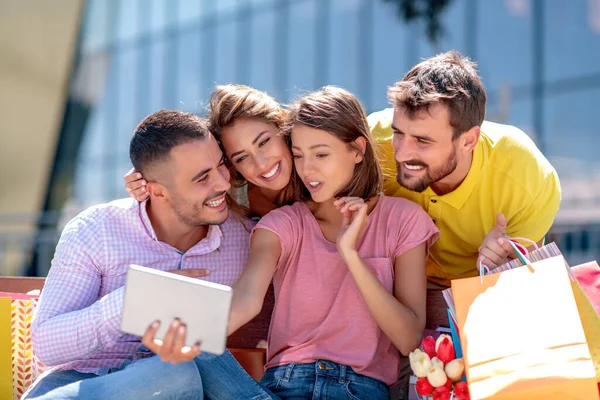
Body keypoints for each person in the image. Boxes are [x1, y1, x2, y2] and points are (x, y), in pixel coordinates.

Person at [142, 86, 439, 399]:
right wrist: (185, 338)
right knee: (193, 349)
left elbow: (408, 340)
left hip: (354, 389)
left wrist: (350, 254)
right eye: (298, 155)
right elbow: (247, 298)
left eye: (321, 154)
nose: (308, 170)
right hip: (280, 388)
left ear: (357, 150)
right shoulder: (281, 223)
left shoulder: (403, 219)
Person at [25, 110, 274, 399]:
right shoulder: (97, 229)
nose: (222, 183)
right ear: (156, 191)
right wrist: (134, 299)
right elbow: (47, 345)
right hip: (81, 385)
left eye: (221, 166)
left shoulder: (247, 238)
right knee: (175, 372)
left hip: (181, 385)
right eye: (202, 178)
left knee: (179, 371)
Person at [368, 50, 561, 286]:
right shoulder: (370, 141)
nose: (401, 152)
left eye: (422, 141)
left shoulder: (526, 176)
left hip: (477, 301)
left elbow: (526, 281)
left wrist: (506, 263)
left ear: (468, 141)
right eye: (398, 132)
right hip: (392, 292)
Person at [125, 84, 295, 218]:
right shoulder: (230, 191)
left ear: (281, 127)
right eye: (241, 157)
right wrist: (145, 178)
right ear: (231, 163)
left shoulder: (314, 169)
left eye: (264, 142)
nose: (261, 163)